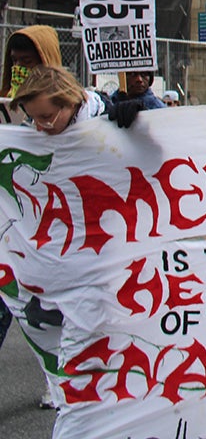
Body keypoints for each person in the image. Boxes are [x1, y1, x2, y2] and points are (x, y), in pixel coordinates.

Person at [8, 64, 117, 408]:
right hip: (63, 263)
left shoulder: (110, 123)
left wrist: (135, 124)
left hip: (106, 261)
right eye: (33, 119)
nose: (41, 126)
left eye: (47, 116)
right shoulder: (43, 136)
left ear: (71, 102)